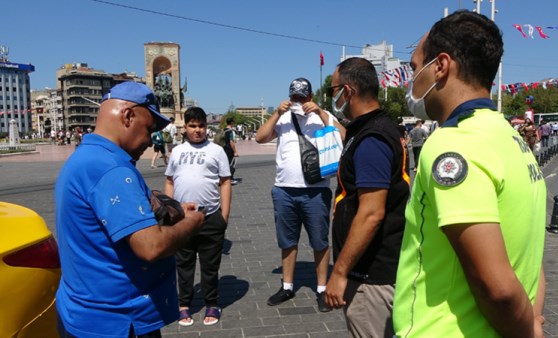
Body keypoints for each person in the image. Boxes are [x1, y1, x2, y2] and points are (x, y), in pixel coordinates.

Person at [393, 11, 546, 338]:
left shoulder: (454, 143)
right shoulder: (511, 138)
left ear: (440, 66)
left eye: (414, 65)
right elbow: (533, 257)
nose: (411, 78)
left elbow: (499, 290)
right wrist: (532, 319)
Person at [54, 81, 205, 338]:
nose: (150, 139)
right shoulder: (110, 169)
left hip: (85, 314)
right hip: (118, 322)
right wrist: (192, 221)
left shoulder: (87, 157)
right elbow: (151, 246)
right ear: (128, 115)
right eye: (149, 129)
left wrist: (173, 208)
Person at [323, 57, 410, 337]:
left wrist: (339, 272)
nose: (332, 96)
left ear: (347, 91)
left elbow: (372, 213)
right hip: (372, 270)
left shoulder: (372, 139)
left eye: (332, 89)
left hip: (370, 276)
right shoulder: (370, 129)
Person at [256, 77, 345, 313]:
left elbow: (345, 137)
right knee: (287, 241)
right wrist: (276, 113)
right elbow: (260, 137)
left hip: (316, 191)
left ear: (311, 97)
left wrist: (322, 113)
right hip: (284, 189)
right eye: (294, 97)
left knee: (320, 241)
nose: (299, 101)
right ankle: (287, 286)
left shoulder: (322, 116)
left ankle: (321, 288)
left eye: (303, 97)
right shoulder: (283, 118)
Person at [165, 107, 232, 327]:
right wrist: (169, 212)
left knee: (210, 264)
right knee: (183, 263)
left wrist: (224, 215)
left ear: (206, 127)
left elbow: (225, 182)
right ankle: (184, 304)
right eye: (192, 126)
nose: (197, 130)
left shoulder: (216, 151)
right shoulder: (177, 151)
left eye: (201, 126)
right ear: (185, 128)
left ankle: (211, 302)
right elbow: (170, 181)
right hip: (182, 218)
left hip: (210, 216)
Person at [223, 117, 239, 185]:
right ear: (232, 122)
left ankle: (224, 178)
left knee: (225, 164)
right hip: (229, 149)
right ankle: (231, 179)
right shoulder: (230, 131)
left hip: (223, 149)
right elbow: (231, 142)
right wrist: (235, 151)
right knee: (231, 163)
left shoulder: (223, 130)